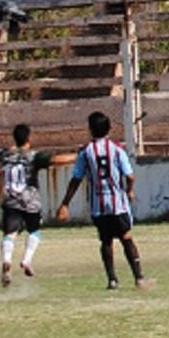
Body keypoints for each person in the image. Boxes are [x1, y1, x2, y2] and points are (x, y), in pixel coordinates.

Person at [56, 112, 152, 289]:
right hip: (117, 203)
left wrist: (65, 203)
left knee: (106, 241)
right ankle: (139, 278)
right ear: (109, 129)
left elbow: (76, 179)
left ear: (90, 130)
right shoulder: (117, 149)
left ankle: (112, 280)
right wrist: (129, 191)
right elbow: (129, 176)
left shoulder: (86, 152)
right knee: (126, 237)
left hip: (97, 205)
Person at [0, 124, 76, 286]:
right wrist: (77, 156)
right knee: (34, 231)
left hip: (11, 200)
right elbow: (55, 160)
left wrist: (11, 149)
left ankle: (6, 260)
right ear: (29, 138)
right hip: (30, 202)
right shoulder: (33, 156)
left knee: (10, 234)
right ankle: (26, 260)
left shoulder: (5, 155)